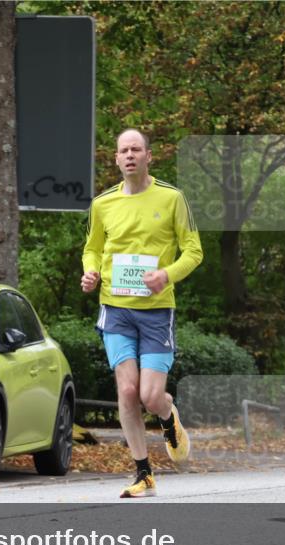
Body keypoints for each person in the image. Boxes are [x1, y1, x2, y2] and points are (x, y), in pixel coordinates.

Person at [81, 129, 203, 497]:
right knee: (128, 389)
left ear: (149, 156)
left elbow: (194, 251)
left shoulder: (172, 198)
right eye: (124, 150)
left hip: (156, 311)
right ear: (116, 159)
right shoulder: (103, 204)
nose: (130, 155)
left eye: (136, 149)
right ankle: (143, 471)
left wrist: (166, 275)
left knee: (151, 396)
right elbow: (92, 249)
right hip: (115, 308)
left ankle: (169, 417)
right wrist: (90, 272)